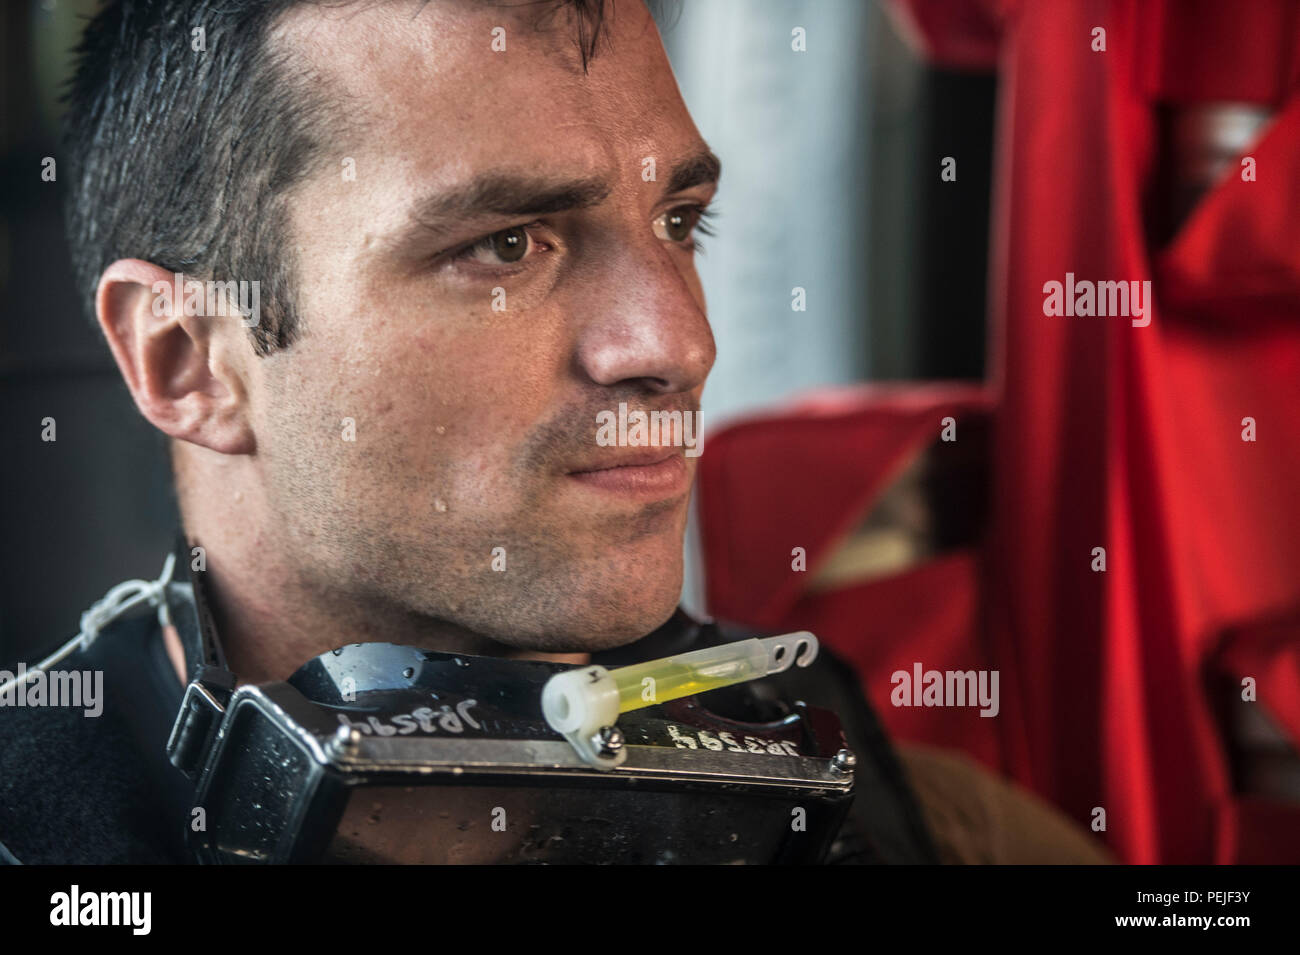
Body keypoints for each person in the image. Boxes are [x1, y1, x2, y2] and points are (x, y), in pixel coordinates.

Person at [0, 0, 1108, 864]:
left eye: (680, 221)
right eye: (507, 245)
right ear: (186, 358)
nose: (679, 343)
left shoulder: (916, 824)